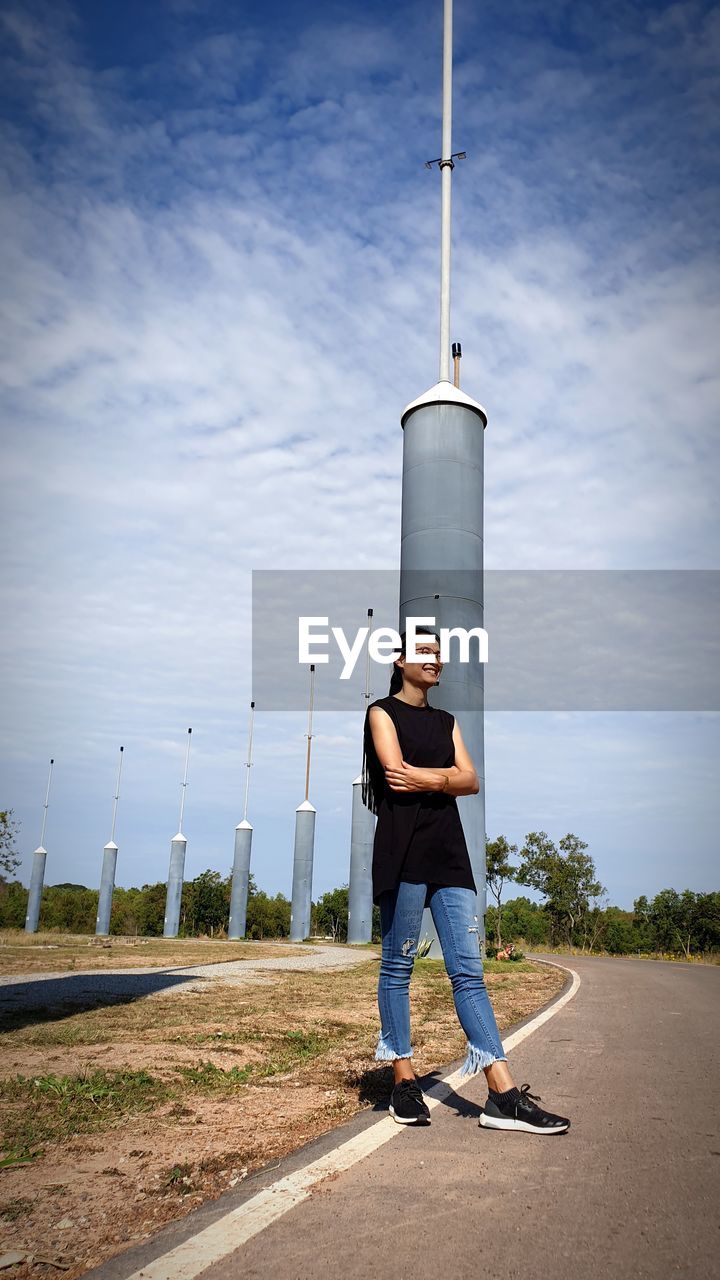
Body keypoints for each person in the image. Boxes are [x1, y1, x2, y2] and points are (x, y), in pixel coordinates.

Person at [361, 628, 570, 1136]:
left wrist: (431, 778)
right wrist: (447, 777)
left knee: (468, 971)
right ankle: (404, 1081)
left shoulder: (448, 720)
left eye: (439, 654)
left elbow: (471, 779)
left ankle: (501, 1095)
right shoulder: (380, 713)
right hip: (403, 853)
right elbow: (394, 773)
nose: (435, 661)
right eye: (425, 653)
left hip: (450, 856)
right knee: (398, 967)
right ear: (400, 660)